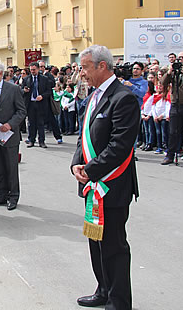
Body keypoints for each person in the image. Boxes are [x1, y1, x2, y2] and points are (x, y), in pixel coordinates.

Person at [71, 45, 139, 310]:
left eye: (85, 67)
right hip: (92, 185)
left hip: (113, 185)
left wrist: (90, 170)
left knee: (113, 245)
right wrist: (76, 164)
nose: (82, 73)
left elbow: (120, 145)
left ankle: (119, 300)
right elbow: (84, 136)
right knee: (95, 241)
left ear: (102, 66)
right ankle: (103, 290)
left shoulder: (123, 98)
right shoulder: (94, 96)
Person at [0, 61, 26, 210]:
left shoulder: (13, 89)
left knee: (11, 167)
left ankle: (13, 196)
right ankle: (0, 194)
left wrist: (10, 124)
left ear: (0, 74)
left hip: (10, 136)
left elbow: (21, 111)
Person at [22, 62, 53, 148]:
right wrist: (24, 90)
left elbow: (49, 91)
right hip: (30, 103)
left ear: (38, 69)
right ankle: (31, 140)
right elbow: (21, 90)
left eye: (34, 70)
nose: (33, 71)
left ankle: (41, 141)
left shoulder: (44, 79)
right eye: (31, 70)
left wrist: (42, 96)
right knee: (31, 123)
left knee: (40, 123)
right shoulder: (26, 79)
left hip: (41, 104)